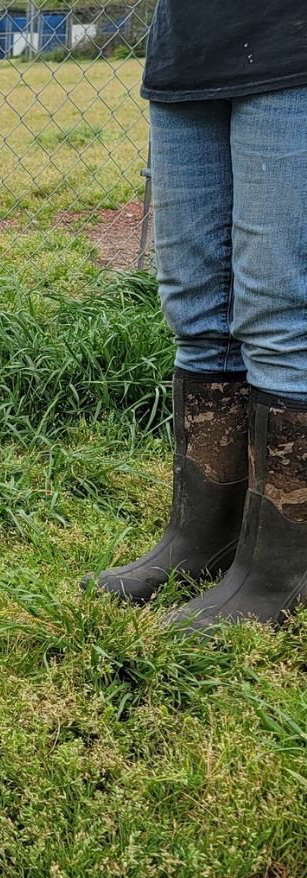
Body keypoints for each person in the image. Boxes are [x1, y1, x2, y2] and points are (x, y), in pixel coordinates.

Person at [87, 1, 307, 631]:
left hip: (290, 46)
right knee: (196, 309)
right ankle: (201, 540)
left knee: (278, 312)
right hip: (187, 50)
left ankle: (278, 573)